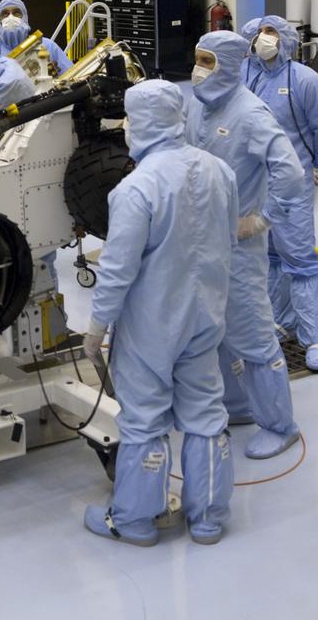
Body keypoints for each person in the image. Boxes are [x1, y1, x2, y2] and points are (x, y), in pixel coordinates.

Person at [82, 79, 238, 547]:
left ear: (141, 122)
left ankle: (134, 520)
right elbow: (229, 241)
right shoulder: (218, 171)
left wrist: (96, 328)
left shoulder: (135, 189)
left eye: (129, 119)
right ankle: (208, 518)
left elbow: (117, 270)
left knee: (145, 420)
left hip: (151, 327)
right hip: (206, 317)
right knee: (206, 414)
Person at [186, 30, 308, 459]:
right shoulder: (200, 107)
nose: (199, 69)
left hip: (238, 249)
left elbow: (291, 174)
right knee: (214, 328)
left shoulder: (252, 114)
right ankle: (237, 406)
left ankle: (280, 424)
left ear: (231, 64)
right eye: (197, 59)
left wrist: (261, 220)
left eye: (208, 61)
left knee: (252, 333)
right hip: (203, 243)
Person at [240, 15, 318, 372]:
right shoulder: (244, 76)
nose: (263, 39)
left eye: (271, 33)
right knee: (270, 259)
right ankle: (280, 322)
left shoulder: (307, 81)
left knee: (300, 261)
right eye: (259, 32)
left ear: (286, 39)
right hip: (254, 186)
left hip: (292, 186)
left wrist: (317, 164)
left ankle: (315, 340)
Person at [0, 0, 73, 75]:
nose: (10, 17)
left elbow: (71, 76)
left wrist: (55, 78)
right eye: (5, 14)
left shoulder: (47, 46)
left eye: (16, 13)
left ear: (25, 18)